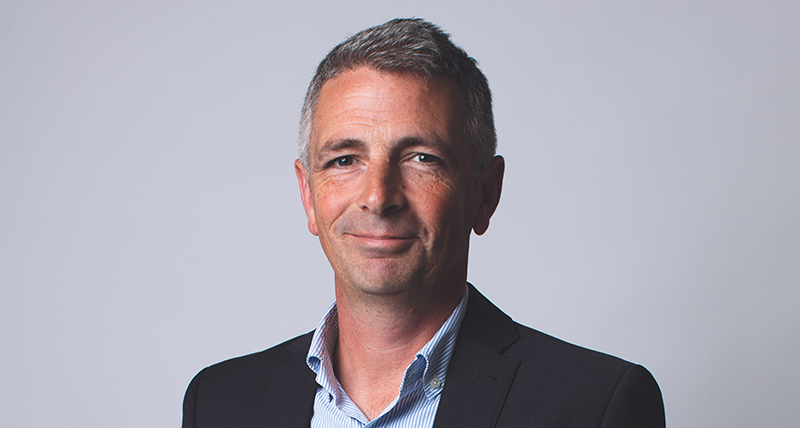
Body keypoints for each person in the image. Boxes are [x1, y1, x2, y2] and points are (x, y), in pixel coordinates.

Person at [182, 18, 665, 428]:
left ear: (485, 193)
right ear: (308, 194)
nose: (378, 197)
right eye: (345, 160)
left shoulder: (595, 407)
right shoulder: (221, 404)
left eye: (421, 158)